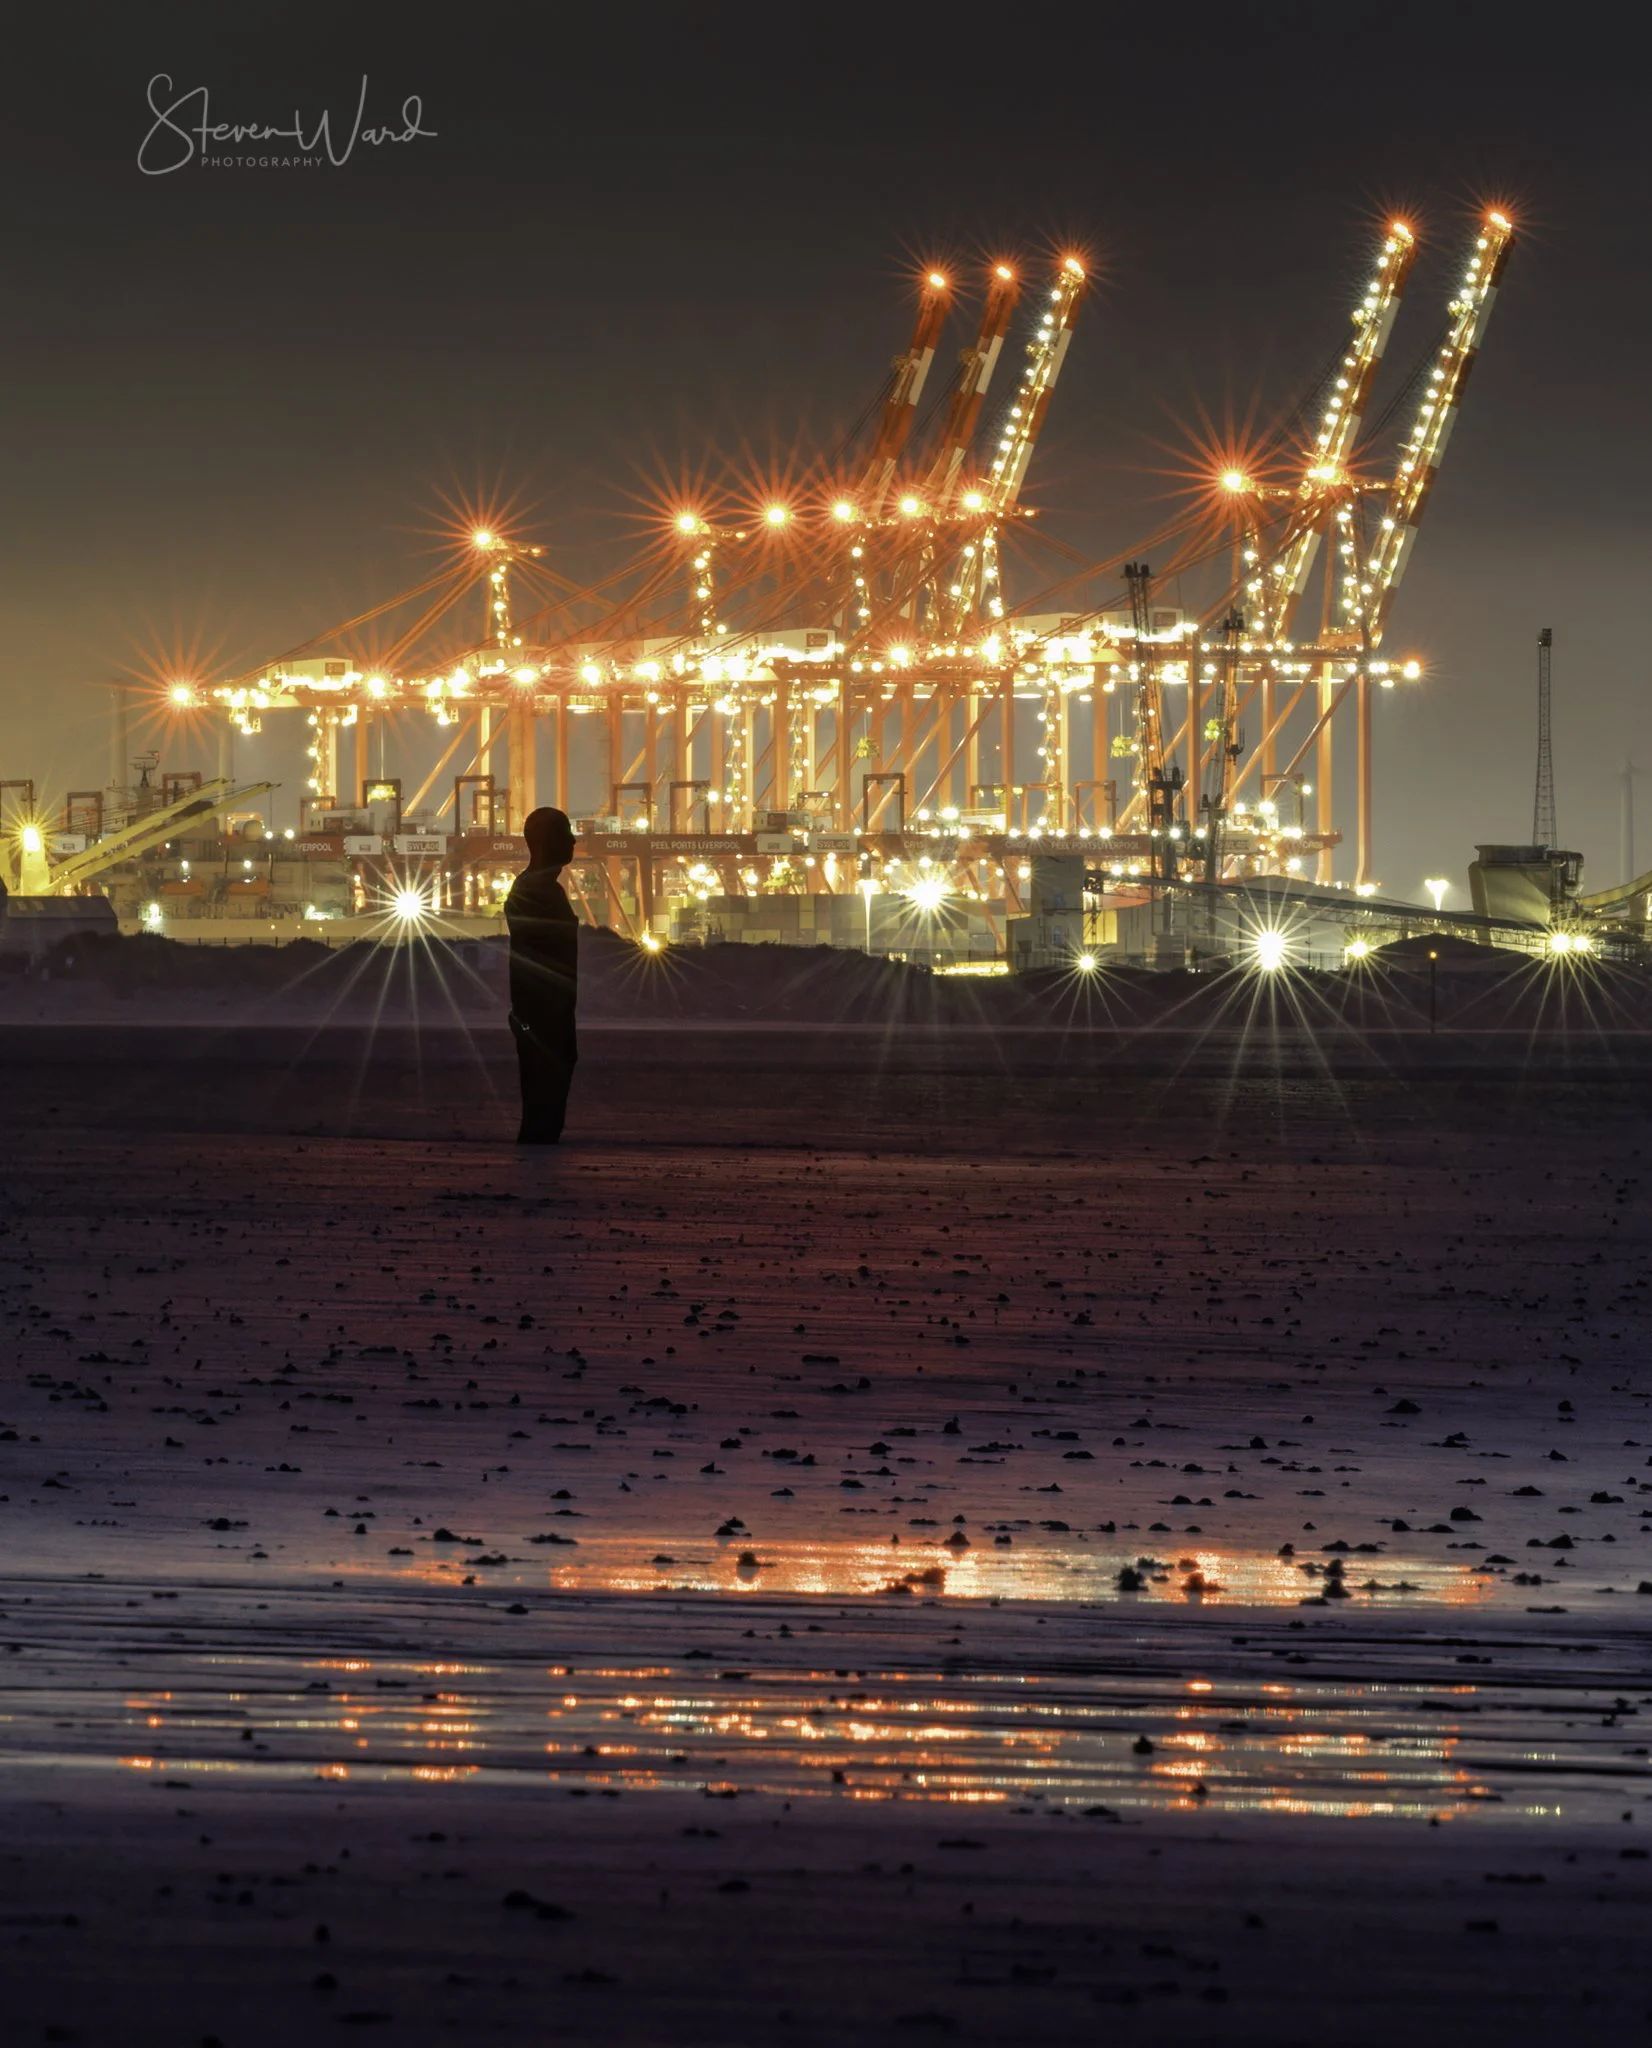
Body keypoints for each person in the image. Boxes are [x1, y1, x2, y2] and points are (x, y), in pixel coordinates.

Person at [503, 807, 579, 1143]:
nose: (574, 840)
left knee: (544, 1086)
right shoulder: (536, 892)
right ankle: (537, 1152)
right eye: (566, 833)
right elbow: (534, 960)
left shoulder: (540, 889)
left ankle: (538, 1149)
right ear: (548, 842)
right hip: (543, 1013)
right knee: (543, 1087)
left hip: (548, 1011)